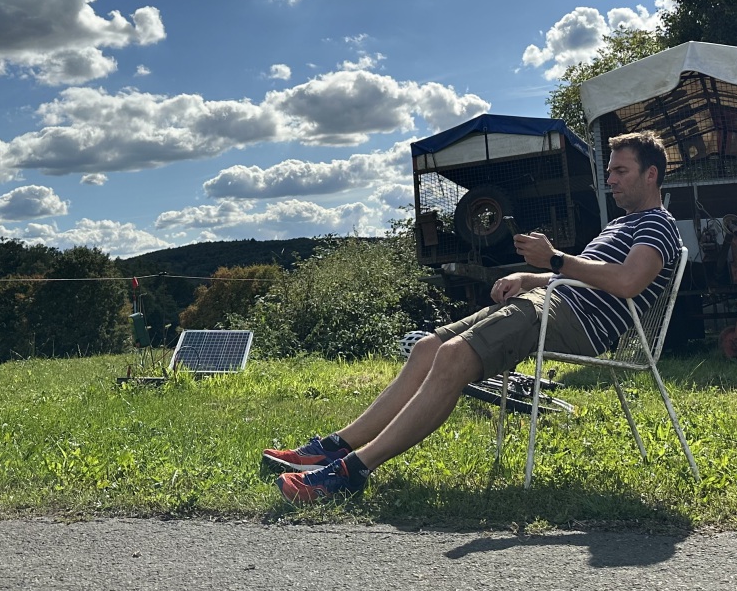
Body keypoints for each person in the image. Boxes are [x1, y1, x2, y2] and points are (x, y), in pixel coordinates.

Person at [263, 130, 682, 502]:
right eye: (610, 172)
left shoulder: (657, 225)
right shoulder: (620, 225)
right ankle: (336, 445)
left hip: (576, 321)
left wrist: (555, 258)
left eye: (620, 171)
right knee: (429, 347)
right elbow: (579, 276)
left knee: (453, 357)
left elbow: (628, 281)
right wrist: (528, 277)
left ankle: (352, 471)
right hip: (552, 302)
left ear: (651, 175)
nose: (610, 180)